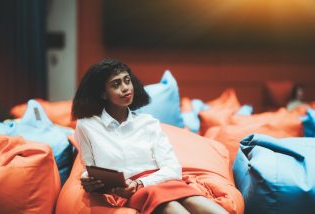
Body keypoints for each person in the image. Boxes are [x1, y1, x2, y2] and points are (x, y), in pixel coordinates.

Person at [72, 58, 227, 214]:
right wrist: (88, 179)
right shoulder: (87, 125)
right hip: (129, 192)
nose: (125, 88)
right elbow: (89, 168)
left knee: (203, 204)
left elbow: (173, 169)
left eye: (127, 81)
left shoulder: (148, 123)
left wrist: (141, 183)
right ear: (103, 94)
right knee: (174, 208)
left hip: (158, 181)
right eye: (116, 84)